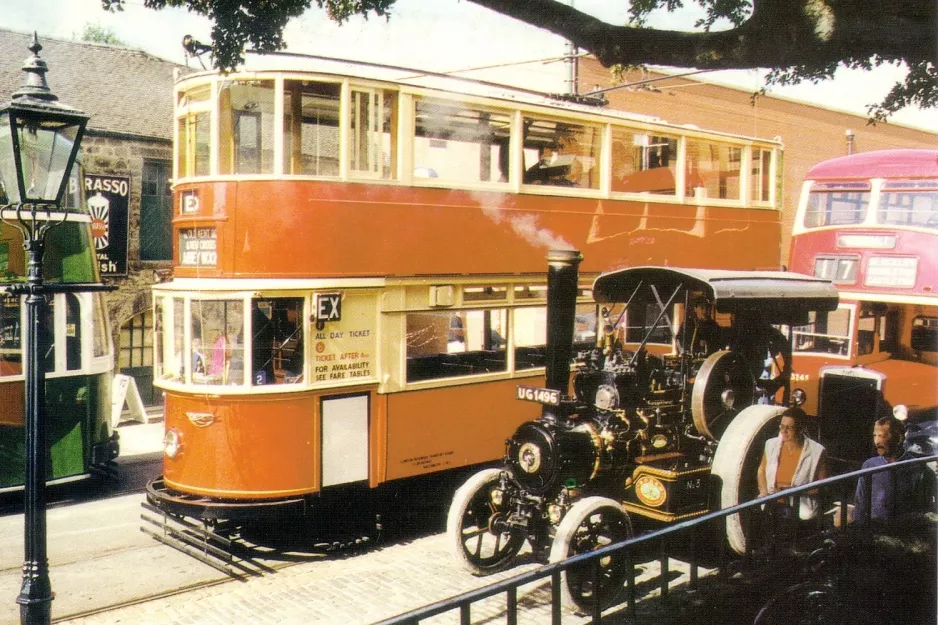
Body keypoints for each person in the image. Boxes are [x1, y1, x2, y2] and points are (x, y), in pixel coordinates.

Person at [853, 414, 934, 522]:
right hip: (875, 531)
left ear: (899, 438)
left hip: (906, 532)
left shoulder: (919, 468)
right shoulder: (869, 466)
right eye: (874, 436)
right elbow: (860, 504)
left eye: (881, 436)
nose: (876, 442)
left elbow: (925, 510)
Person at [757, 406, 830, 521]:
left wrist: (791, 491)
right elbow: (761, 470)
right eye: (781, 426)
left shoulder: (817, 451)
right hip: (771, 499)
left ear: (800, 429)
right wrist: (763, 492)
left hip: (800, 504)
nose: (783, 431)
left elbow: (823, 487)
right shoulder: (770, 444)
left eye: (789, 428)